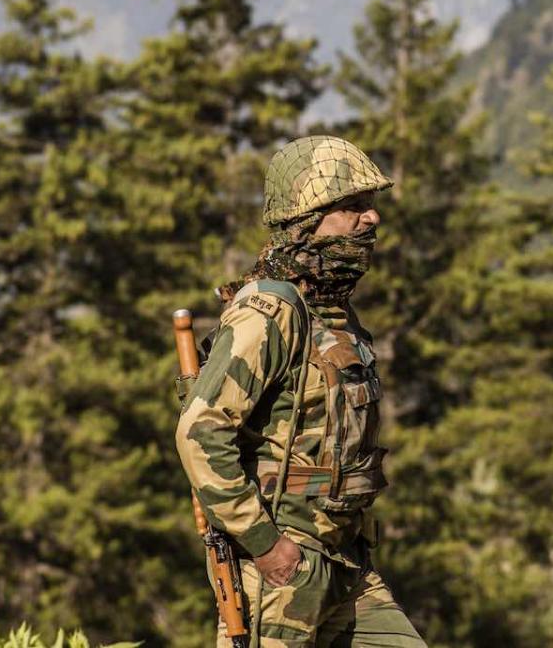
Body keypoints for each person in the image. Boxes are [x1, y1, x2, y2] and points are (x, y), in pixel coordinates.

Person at [176, 135, 426, 647]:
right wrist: (266, 546)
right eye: (353, 207)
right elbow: (200, 433)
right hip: (285, 571)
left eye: (371, 207)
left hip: (346, 565)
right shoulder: (270, 312)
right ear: (307, 220)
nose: (371, 219)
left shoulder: (333, 313)